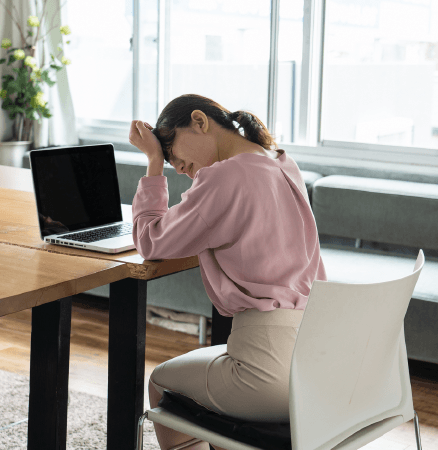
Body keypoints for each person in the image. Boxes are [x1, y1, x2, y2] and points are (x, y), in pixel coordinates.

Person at [129, 94, 328, 450]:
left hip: (265, 372)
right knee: (210, 402)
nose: (178, 166)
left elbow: (150, 240)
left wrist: (154, 162)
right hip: (316, 365)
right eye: (169, 159)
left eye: (174, 151)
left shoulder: (224, 177)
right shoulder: (282, 162)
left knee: (162, 383)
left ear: (200, 122)